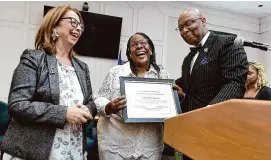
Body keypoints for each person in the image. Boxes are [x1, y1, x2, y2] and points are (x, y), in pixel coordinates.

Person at [0, 5, 97, 160]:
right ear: (54, 26)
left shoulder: (82, 67)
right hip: (34, 152)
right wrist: (64, 113)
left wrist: (88, 109)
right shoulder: (33, 58)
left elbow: (91, 102)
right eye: (73, 22)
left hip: (74, 150)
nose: (78, 28)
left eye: (81, 25)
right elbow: (17, 105)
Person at [173, 8, 248, 160]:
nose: (184, 30)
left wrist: (208, 114)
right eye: (180, 28)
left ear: (203, 20)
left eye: (189, 23)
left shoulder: (227, 42)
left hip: (217, 131)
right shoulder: (188, 60)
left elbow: (235, 82)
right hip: (192, 132)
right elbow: (191, 89)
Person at [94, 32, 169, 160]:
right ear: (129, 53)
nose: (139, 46)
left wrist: (176, 99)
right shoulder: (116, 72)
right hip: (116, 143)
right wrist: (109, 106)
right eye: (134, 45)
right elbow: (98, 99)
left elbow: (168, 109)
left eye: (143, 43)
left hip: (149, 146)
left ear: (150, 49)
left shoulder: (163, 75)